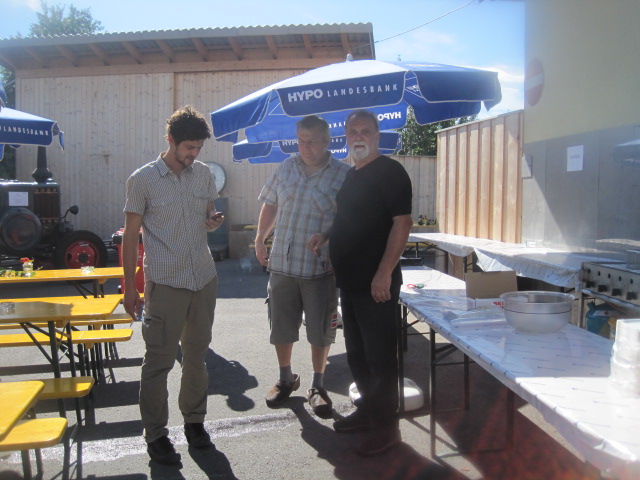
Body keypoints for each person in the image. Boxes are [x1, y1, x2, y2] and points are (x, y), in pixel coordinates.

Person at [122, 105, 224, 465]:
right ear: (170, 140)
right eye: (188, 148)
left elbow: (209, 213)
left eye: (198, 148)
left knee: (196, 357)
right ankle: (156, 435)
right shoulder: (142, 180)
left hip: (203, 279)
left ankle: (195, 422)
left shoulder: (203, 174)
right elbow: (130, 236)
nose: (194, 154)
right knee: (159, 362)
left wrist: (213, 220)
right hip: (165, 284)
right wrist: (130, 287)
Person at [309, 110, 413, 456]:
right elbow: (349, 217)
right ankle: (368, 411)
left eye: (365, 131)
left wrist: (384, 272)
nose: (358, 136)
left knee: (380, 359)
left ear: (377, 135)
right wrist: (327, 235)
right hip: (351, 283)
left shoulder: (390, 172)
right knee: (358, 356)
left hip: (376, 284)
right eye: (352, 131)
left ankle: (387, 428)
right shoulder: (352, 175)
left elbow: (402, 223)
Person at [255, 115, 350, 416]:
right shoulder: (286, 168)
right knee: (281, 326)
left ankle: (317, 386)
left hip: (319, 267)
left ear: (327, 141)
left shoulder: (343, 175)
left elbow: (350, 219)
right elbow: (270, 203)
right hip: (282, 263)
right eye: (300, 141)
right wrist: (260, 238)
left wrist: (329, 235)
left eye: (311, 141)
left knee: (320, 329)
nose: (305, 147)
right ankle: (286, 379)